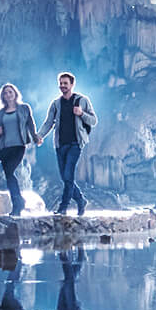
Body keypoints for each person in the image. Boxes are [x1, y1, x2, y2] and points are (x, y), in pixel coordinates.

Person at [36, 72, 97, 216]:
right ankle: (81, 200)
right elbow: (48, 122)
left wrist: (81, 113)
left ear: (72, 85)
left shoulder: (82, 100)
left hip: (76, 143)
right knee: (65, 177)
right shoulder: (56, 104)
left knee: (68, 175)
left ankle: (63, 207)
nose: (62, 86)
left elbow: (94, 121)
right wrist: (39, 135)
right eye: (61, 83)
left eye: (65, 83)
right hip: (60, 144)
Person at [0, 83, 39, 216]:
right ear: (3, 97)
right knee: (8, 174)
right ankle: (19, 201)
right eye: (5, 93)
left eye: (10, 92)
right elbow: (0, 128)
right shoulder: (1, 112)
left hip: (19, 146)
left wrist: (35, 137)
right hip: (5, 146)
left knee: (9, 171)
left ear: (15, 93)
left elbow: (30, 124)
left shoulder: (24, 108)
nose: (8, 95)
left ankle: (17, 204)